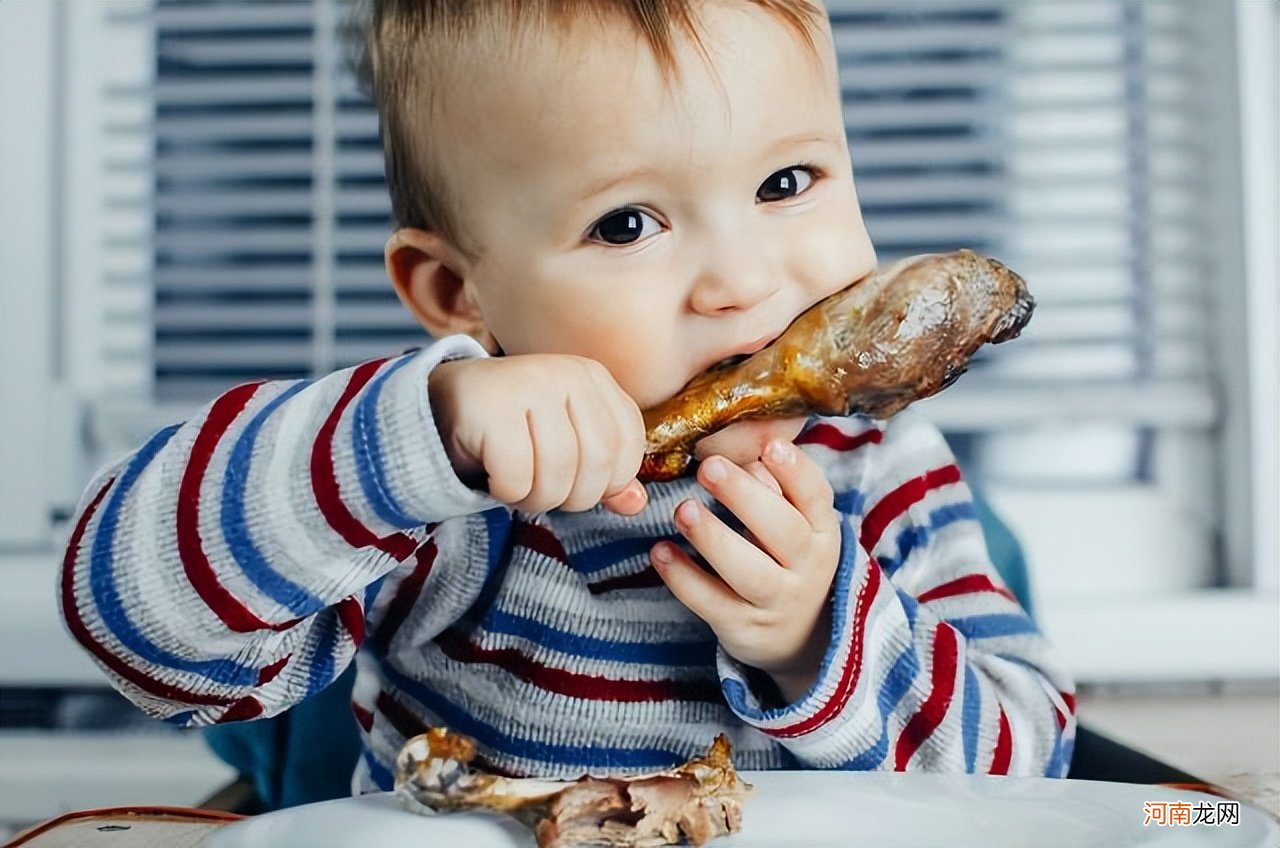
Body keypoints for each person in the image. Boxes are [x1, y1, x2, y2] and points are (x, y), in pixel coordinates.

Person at [60, 0, 1075, 795]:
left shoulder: (883, 473)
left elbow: (1029, 771)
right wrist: (424, 436)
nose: (740, 279)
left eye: (785, 182)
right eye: (627, 224)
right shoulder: (447, 486)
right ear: (458, 293)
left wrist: (825, 636)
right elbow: (131, 621)